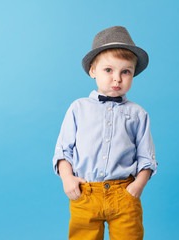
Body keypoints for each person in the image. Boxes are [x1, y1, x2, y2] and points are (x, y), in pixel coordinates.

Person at [53, 26, 158, 240]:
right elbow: (64, 150)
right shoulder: (78, 108)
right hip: (86, 194)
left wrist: (137, 186)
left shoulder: (138, 114)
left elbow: (147, 158)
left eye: (125, 71)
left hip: (124, 194)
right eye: (108, 70)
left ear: (133, 74)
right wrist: (67, 179)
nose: (117, 79)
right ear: (93, 71)